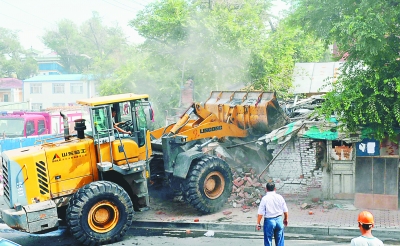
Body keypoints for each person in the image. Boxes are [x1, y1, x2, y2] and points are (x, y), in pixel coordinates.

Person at [256, 181, 288, 246]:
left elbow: (260, 213)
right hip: (279, 220)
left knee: (268, 241)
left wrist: (258, 223)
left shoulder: (265, 199)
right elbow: (285, 210)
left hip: (269, 221)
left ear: (266, 189)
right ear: (275, 189)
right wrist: (285, 219)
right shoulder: (280, 197)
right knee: (280, 241)